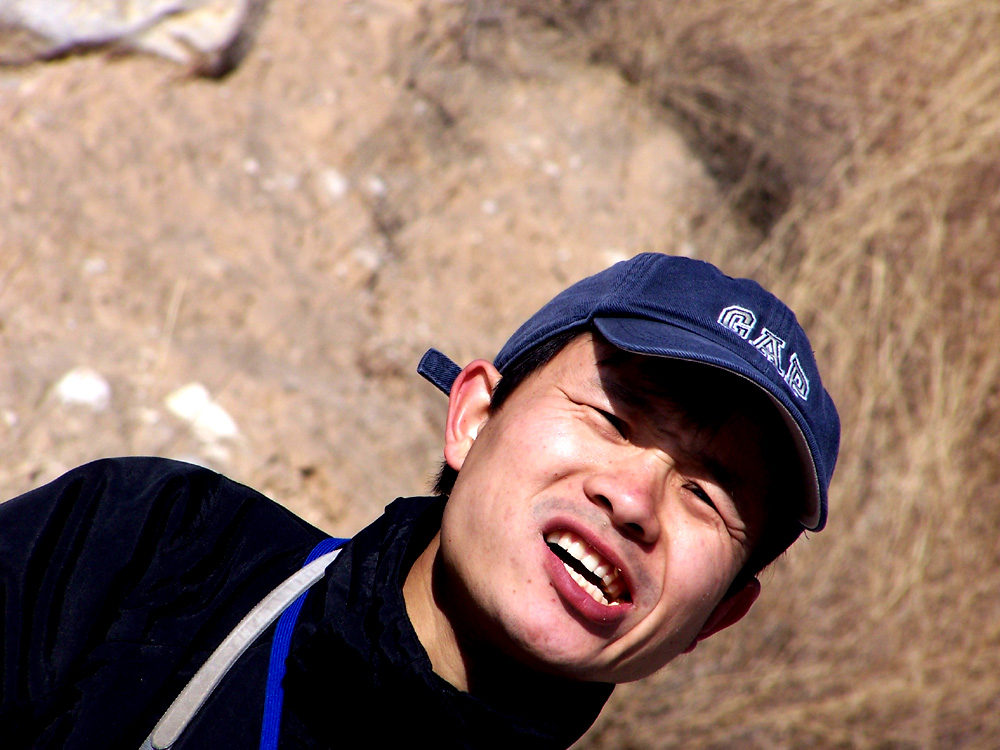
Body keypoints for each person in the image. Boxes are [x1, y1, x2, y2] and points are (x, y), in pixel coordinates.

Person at [0, 253, 840, 749]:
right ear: (473, 417)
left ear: (718, 617)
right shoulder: (146, 550)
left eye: (705, 495)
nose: (632, 502)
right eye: (614, 420)